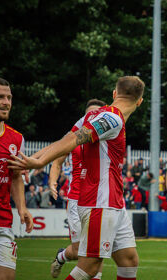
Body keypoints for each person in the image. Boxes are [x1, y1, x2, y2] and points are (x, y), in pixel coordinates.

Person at [8, 76, 144, 280]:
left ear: (114, 94)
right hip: (100, 201)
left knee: (129, 260)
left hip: (113, 201)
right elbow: (73, 140)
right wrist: (39, 163)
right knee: (90, 268)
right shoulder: (113, 118)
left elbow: (65, 139)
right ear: (140, 101)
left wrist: (36, 158)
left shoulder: (97, 115)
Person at [0, 77, 33, 280]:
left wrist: (22, 208)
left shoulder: (16, 138)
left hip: (1, 222)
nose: (6, 102)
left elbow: (16, 176)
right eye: (0, 97)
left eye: (9, 97)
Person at [49, 98, 105, 279]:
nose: (94, 117)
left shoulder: (107, 136)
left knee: (97, 251)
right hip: (76, 199)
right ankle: (62, 256)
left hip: (99, 198)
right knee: (80, 252)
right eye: (90, 114)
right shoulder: (73, 136)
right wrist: (52, 181)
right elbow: (57, 161)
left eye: (98, 114)